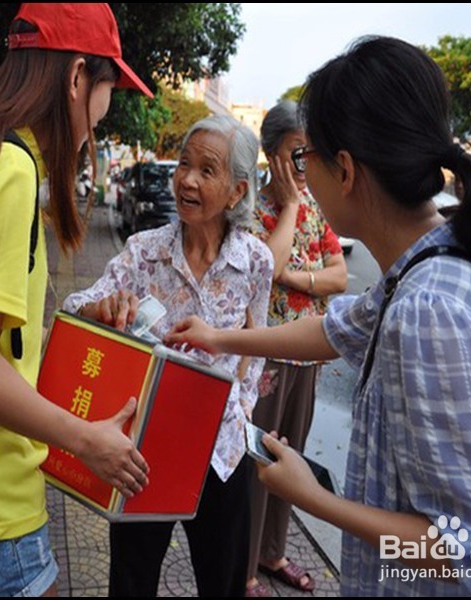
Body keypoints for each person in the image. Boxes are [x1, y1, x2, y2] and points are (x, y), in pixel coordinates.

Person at [166, 36, 471, 597]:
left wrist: (316, 499)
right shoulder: (424, 268)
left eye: (307, 159)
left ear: (344, 170)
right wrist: (219, 336)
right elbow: (332, 328)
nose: (303, 176)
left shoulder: (431, 314)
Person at [0, 4, 154, 597]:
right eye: (107, 87)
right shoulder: (9, 172)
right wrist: (87, 440)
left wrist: (66, 329)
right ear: (76, 77)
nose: (103, 112)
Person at [63, 115, 274, 597]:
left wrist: (241, 411)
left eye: (207, 169)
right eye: (184, 164)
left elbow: (257, 344)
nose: (187, 179)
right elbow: (73, 308)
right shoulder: (144, 252)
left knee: (221, 581)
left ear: (237, 191)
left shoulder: (256, 262)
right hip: (144, 451)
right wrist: (102, 307)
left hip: (222, 452)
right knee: (132, 580)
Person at [245, 101, 347, 597]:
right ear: (271, 154)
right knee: (256, 463)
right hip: (262, 355)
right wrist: (286, 212)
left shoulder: (316, 210)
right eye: (296, 154)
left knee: (292, 458)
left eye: (310, 155)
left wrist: (294, 276)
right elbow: (264, 270)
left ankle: (273, 552)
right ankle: (243, 566)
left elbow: (341, 276)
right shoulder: (250, 209)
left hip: (306, 354)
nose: (305, 166)